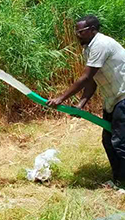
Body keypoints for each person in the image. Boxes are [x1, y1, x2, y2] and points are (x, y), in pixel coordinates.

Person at [47, 15, 125, 184]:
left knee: (120, 142)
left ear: (92, 30)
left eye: (80, 31)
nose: (77, 34)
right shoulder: (89, 48)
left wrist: (60, 98)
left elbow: (85, 77)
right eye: (76, 31)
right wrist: (80, 105)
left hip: (123, 97)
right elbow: (91, 81)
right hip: (113, 98)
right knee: (109, 140)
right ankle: (119, 180)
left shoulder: (101, 44)